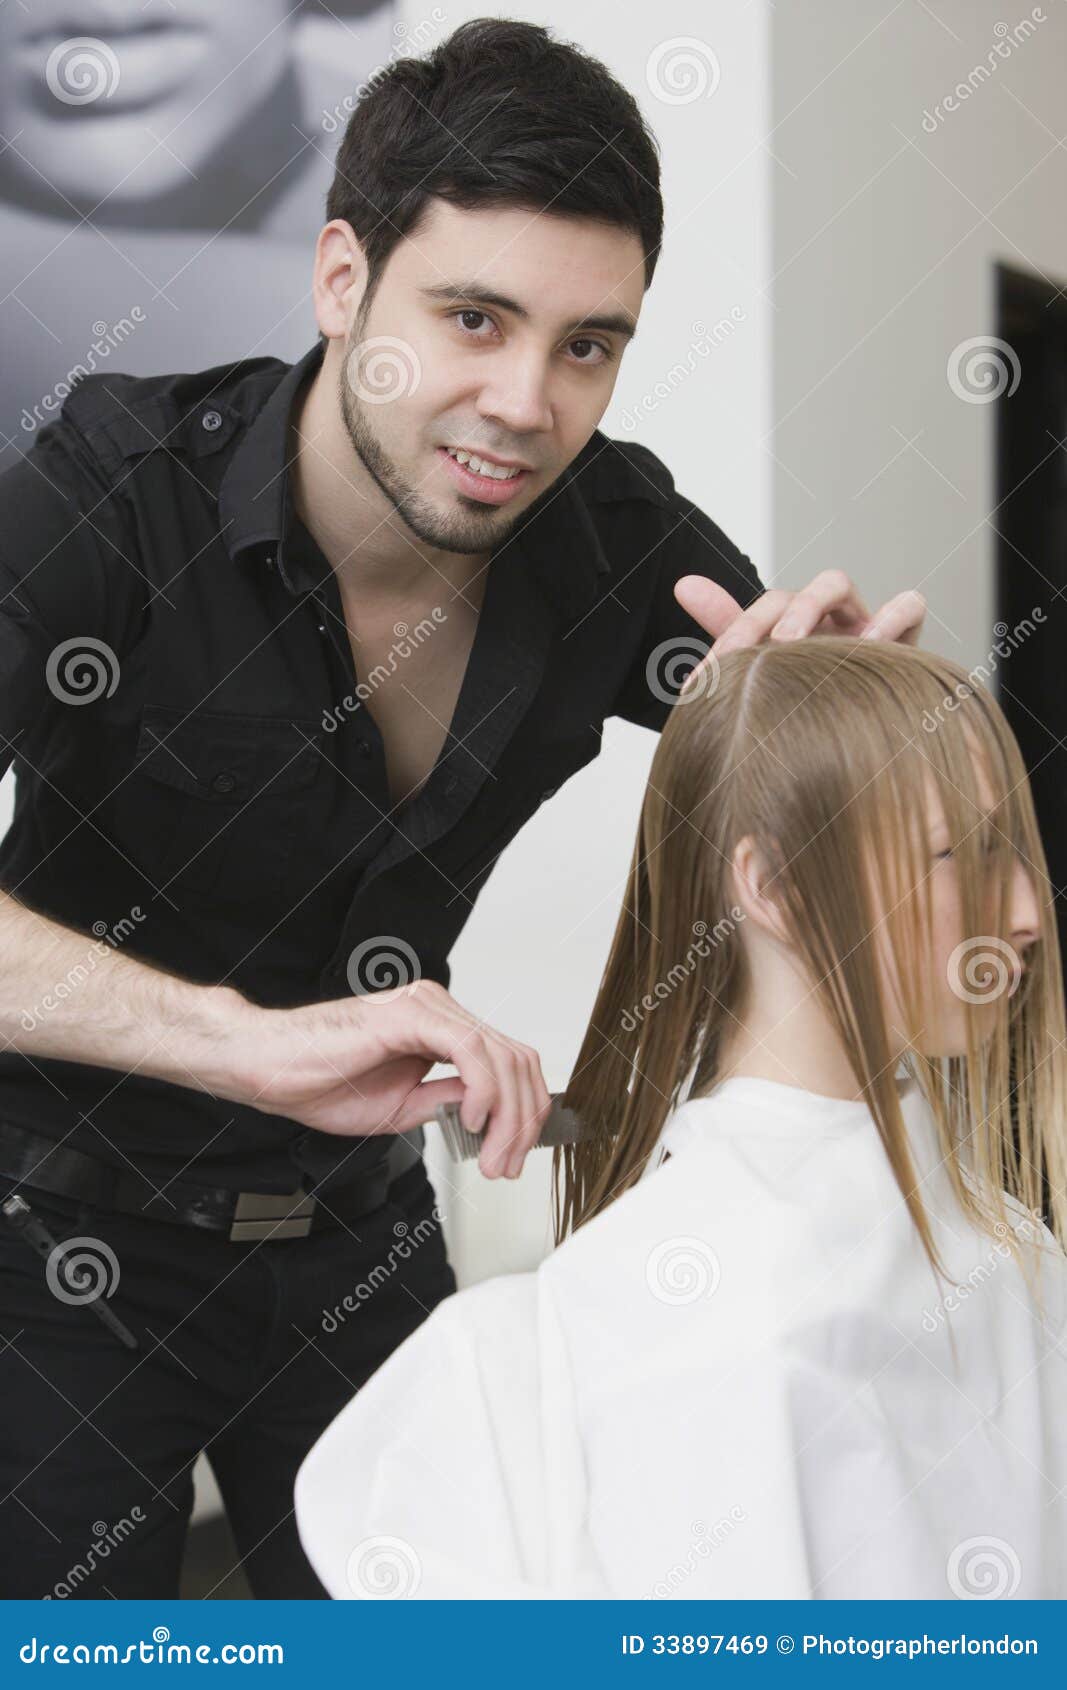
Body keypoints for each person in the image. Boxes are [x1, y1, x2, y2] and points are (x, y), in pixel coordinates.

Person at [0, 20, 923, 1598]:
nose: (521, 403)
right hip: (52, 1254)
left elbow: (821, 801)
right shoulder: (109, 490)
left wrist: (831, 733)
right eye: (473, 318)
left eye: (586, 344)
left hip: (360, 1242)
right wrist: (245, 1039)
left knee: (444, 1636)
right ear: (343, 279)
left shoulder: (614, 534)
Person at [295, 636, 1067, 1600]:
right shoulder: (694, 1323)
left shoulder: (1008, 1247)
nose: (1029, 911)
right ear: (776, 887)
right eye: (963, 855)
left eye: (1016, 852)